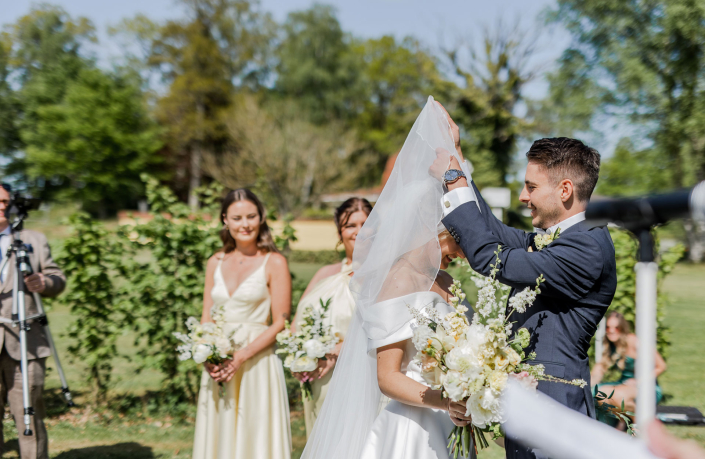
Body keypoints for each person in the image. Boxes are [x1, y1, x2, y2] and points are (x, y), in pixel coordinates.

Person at [433, 102, 618, 459]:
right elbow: (494, 233)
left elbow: (491, 257)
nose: (522, 196)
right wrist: (458, 158)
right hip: (532, 404)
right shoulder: (564, 236)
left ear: (565, 190)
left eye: (531, 187)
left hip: (555, 408)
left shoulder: (587, 247)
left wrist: (453, 181)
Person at [301, 97, 476, 459]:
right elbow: (388, 377)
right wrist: (446, 402)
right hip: (413, 429)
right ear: (434, 227)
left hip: (453, 424)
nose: (464, 250)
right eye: (458, 237)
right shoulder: (398, 279)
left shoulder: (448, 284)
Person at [192, 188, 291, 459]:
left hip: (256, 362)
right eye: (237, 218)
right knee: (219, 432)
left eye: (251, 216)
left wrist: (241, 356)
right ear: (225, 219)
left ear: (261, 218)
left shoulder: (275, 262)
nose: (245, 224)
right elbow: (206, 317)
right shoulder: (215, 261)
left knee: (255, 433)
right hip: (219, 364)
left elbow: (281, 321)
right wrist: (206, 354)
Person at [291, 197, 372, 437]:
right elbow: (297, 323)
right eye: (350, 225)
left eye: (365, 224)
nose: (358, 232)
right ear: (340, 232)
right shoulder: (324, 274)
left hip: (360, 375)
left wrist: (337, 351)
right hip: (318, 376)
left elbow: (383, 329)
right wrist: (298, 357)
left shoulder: (383, 275)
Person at [0, 184, 66, 459]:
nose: (2, 206)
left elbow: (57, 278)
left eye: (5, 201)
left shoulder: (33, 240)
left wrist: (45, 282)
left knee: (29, 414)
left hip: (27, 343)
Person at [591, 311, 667, 420]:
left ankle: (639, 425)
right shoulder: (610, 345)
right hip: (624, 384)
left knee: (617, 395)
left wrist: (638, 381)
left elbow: (661, 366)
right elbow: (599, 370)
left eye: (616, 328)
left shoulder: (634, 341)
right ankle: (621, 425)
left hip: (645, 385)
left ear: (622, 328)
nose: (611, 331)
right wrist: (585, 384)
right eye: (608, 327)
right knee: (598, 392)